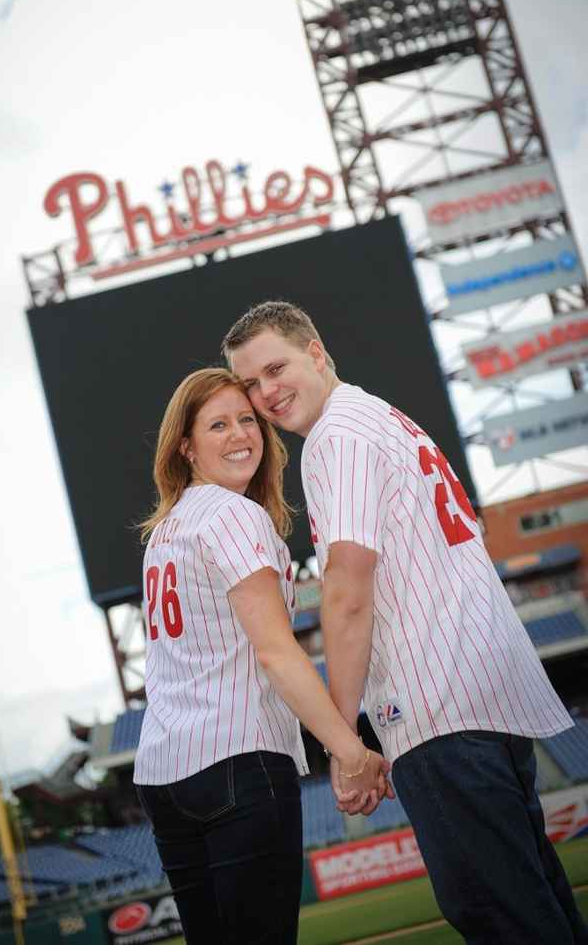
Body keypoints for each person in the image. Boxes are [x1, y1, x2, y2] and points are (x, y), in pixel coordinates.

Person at [223, 301, 588, 945]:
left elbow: (347, 592)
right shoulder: (379, 414)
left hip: (437, 705)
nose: (265, 393)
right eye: (250, 383)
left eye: (275, 368)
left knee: (502, 917)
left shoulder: (338, 436)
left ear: (315, 352)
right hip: (487, 691)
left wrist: (343, 739)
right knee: (538, 906)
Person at [133, 367, 392, 945]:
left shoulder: (166, 531)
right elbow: (276, 654)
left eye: (246, 420)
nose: (238, 434)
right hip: (236, 759)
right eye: (217, 424)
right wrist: (349, 750)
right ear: (186, 446)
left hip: (165, 770)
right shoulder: (231, 514)